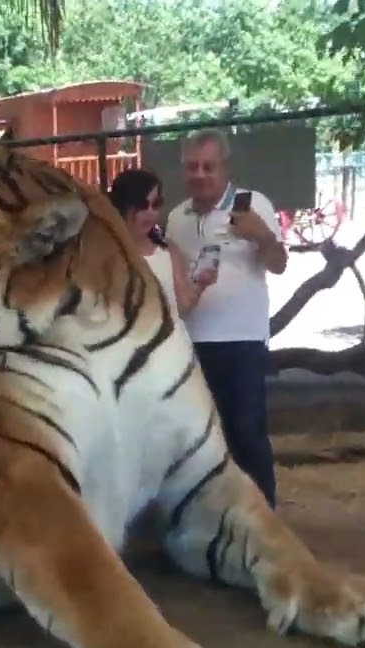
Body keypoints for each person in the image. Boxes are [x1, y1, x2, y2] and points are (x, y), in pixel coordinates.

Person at [164, 129, 288, 506]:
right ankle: (216, 517)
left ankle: (266, 516)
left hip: (243, 341)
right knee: (202, 439)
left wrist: (262, 236)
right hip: (191, 342)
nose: (199, 174)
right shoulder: (176, 217)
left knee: (247, 434)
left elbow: (279, 265)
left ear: (225, 167)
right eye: (192, 167)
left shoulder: (254, 206)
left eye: (208, 166)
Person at [108, 168, 214, 314]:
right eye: (142, 205)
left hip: (171, 334)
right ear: (123, 206)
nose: (150, 212)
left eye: (156, 204)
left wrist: (201, 284)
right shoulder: (105, 254)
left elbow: (183, 305)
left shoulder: (169, 251)